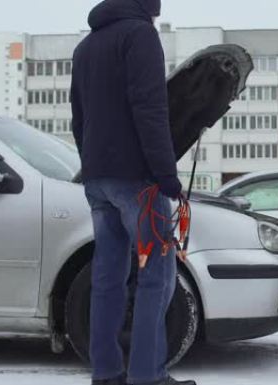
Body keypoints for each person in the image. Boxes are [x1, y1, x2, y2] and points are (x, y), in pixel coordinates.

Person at [71, 0, 195, 384]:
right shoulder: (139, 35)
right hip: (138, 181)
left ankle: (106, 373)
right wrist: (165, 174)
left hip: (97, 179)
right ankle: (147, 376)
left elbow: (78, 115)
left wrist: (92, 163)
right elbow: (150, 109)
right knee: (156, 278)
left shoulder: (86, 46)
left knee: (107, 279)